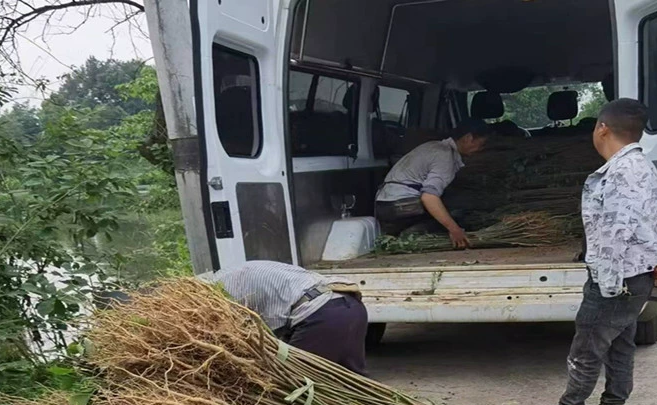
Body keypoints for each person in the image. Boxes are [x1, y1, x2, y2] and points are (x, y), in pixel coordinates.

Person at [521, 98, 657, 405]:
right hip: (631, 275)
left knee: (587, 346)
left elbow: (618, 229)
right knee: (620, 343)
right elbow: (644, 222)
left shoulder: (625, 171)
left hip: (617, 276)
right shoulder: (636, 166)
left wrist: (605, 282)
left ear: (602, 128)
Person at [201, 261, 368, 375]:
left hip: (322, 314)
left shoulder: (222, 292)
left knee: (294, 381)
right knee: (353, 379)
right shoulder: (235, 272)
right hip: (351, 304)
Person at [374, 118, 492, 248]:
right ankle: (412, 234)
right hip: (401, 206)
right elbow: (429, 197)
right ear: (468, 138)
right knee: (457, 213)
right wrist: (454, 229)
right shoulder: (445, 157)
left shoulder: (433, 146)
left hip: (385, 203)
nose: (481, 149)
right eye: (481, 144)